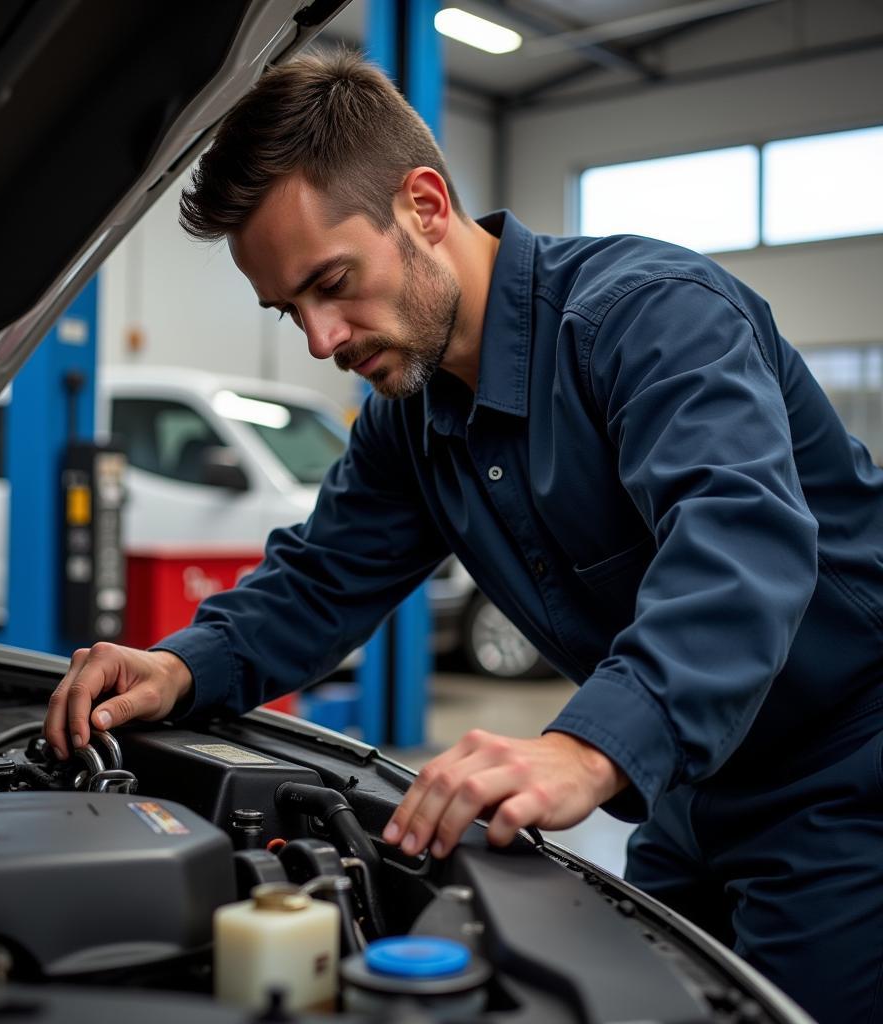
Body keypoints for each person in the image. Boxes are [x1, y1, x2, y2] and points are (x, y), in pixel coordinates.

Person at [44, 52, 883, 1021]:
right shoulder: (412, 416)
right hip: (690, 781)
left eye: (332, 282)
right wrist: (178, 664)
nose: (320, 339)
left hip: (847, 766)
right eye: (290, 310)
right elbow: (321, 578)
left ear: (425, 205)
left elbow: (739, 546)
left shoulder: (649, 317)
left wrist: (586, 747)